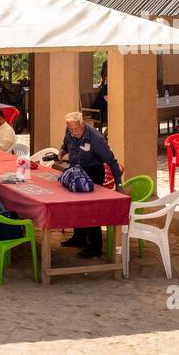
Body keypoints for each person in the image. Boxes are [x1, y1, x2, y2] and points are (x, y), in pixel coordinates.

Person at [59, 110, 122, 259]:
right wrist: (62, 152)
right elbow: (66, 145)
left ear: (83, 125)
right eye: (71, 129)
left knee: (91, 209)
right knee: (76, 205)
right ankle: (79, 238)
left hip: (93, 173)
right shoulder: (69, 132)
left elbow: (112, 162)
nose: (73, 132)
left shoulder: (96, 138)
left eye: (76, 129)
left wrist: (119, 185)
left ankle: (95, 247)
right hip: (76, 172)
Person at [91, 63, 109, 128]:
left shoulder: (113, 88)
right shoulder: (104, 88)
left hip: (105, 112)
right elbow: (110, 102)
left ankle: (105, 136)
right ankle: (103, 137)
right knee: (115, 117)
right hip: (97, 113)